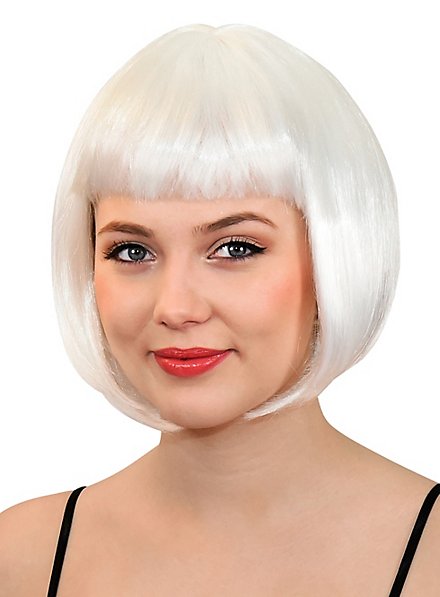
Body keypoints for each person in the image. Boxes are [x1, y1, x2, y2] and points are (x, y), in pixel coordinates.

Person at [0, 23, 439, 596]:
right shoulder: (22, 560)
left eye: (235, 249)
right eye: (132, 251)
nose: (176, 307)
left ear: (333, 260)